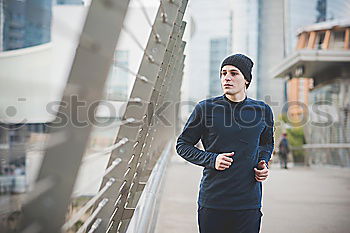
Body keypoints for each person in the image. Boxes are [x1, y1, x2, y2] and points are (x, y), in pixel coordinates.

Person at [176, 54, 274, 233]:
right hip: (214, 201)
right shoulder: (205, 108)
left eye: (234, 73)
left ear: (246, 80)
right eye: (223, 73)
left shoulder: (263, 110)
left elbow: (267, 143)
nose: (227, 77)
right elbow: (183, 145)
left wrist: (263, 163)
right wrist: (212, 159)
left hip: (249, 203)